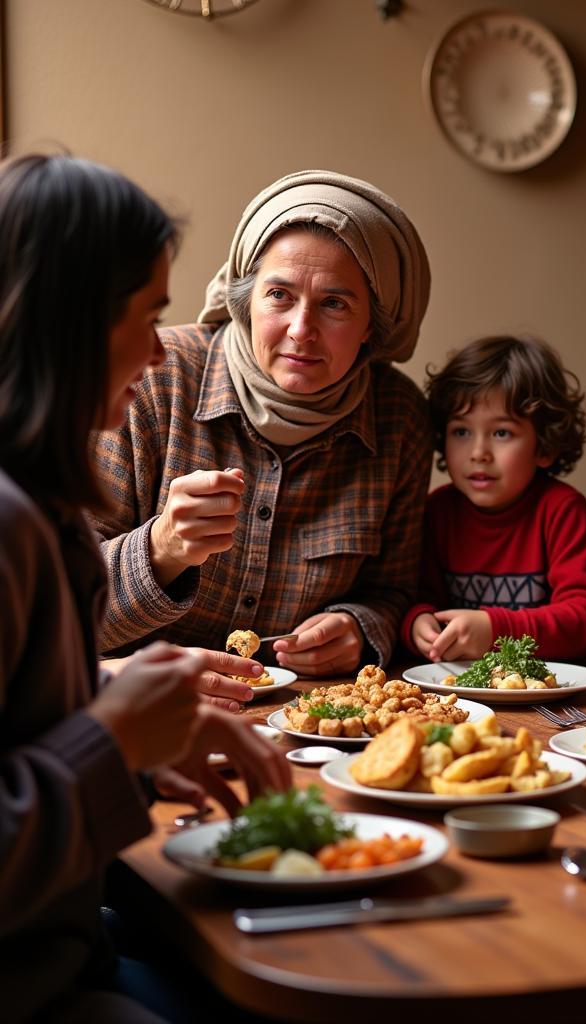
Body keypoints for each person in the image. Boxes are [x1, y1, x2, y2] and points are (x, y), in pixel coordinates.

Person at [0, 154, 291, 1024]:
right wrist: (110, 740)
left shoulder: (40, 507)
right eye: (148, 315)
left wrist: (120, 712)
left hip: (68, 944)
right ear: (72, 324)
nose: (164, 346)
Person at [90, 170, 432, 681]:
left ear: (372, 326)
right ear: (244, 299)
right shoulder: (152, 380)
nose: (301, 330)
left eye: (334, 303)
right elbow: (55, 613)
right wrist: (161, 547)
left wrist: (359, 627)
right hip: (148, 712)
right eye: (279, 295)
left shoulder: (399, 417)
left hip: (312, 720)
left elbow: (393, 590)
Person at [402, 334, 586, 663]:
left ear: (543, 446)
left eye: (501, 433)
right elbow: (416, 597)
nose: (478, 453)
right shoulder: (437, 511)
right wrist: (417, 621)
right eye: (461, 431)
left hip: (544, 692)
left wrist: (497, 631)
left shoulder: (561, 510)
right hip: (453, 689)